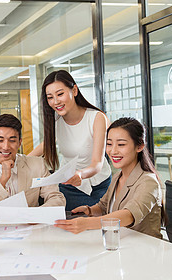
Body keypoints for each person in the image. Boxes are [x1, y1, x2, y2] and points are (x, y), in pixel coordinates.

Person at [54, 117, 163, 238]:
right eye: (109, 144)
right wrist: (88, 210)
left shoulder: (148, 181)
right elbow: (103, 206)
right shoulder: (117, 177)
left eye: (121, 144)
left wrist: (87, 223)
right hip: (120, 243)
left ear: (140, 146)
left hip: (145, 248)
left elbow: (129, 215)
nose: (113, 151)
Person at [29, 70, 111, 211]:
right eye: (50, 97)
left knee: (94, 227)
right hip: (69, 185)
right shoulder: (56, 120)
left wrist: (81, 174)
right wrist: (20, 162)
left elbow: (97, 164)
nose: (56, 102)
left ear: (74, 90)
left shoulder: (96, 118)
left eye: (60, 94)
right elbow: (46, 145)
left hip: (98, 185)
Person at [0, 114, 65, 210]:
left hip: (30, 223)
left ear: (19, 143)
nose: (6, 147)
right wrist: (2, 181)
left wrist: (36, 215)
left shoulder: (37, 165)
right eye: (0, 140)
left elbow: (57, 198)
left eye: (12, 140)